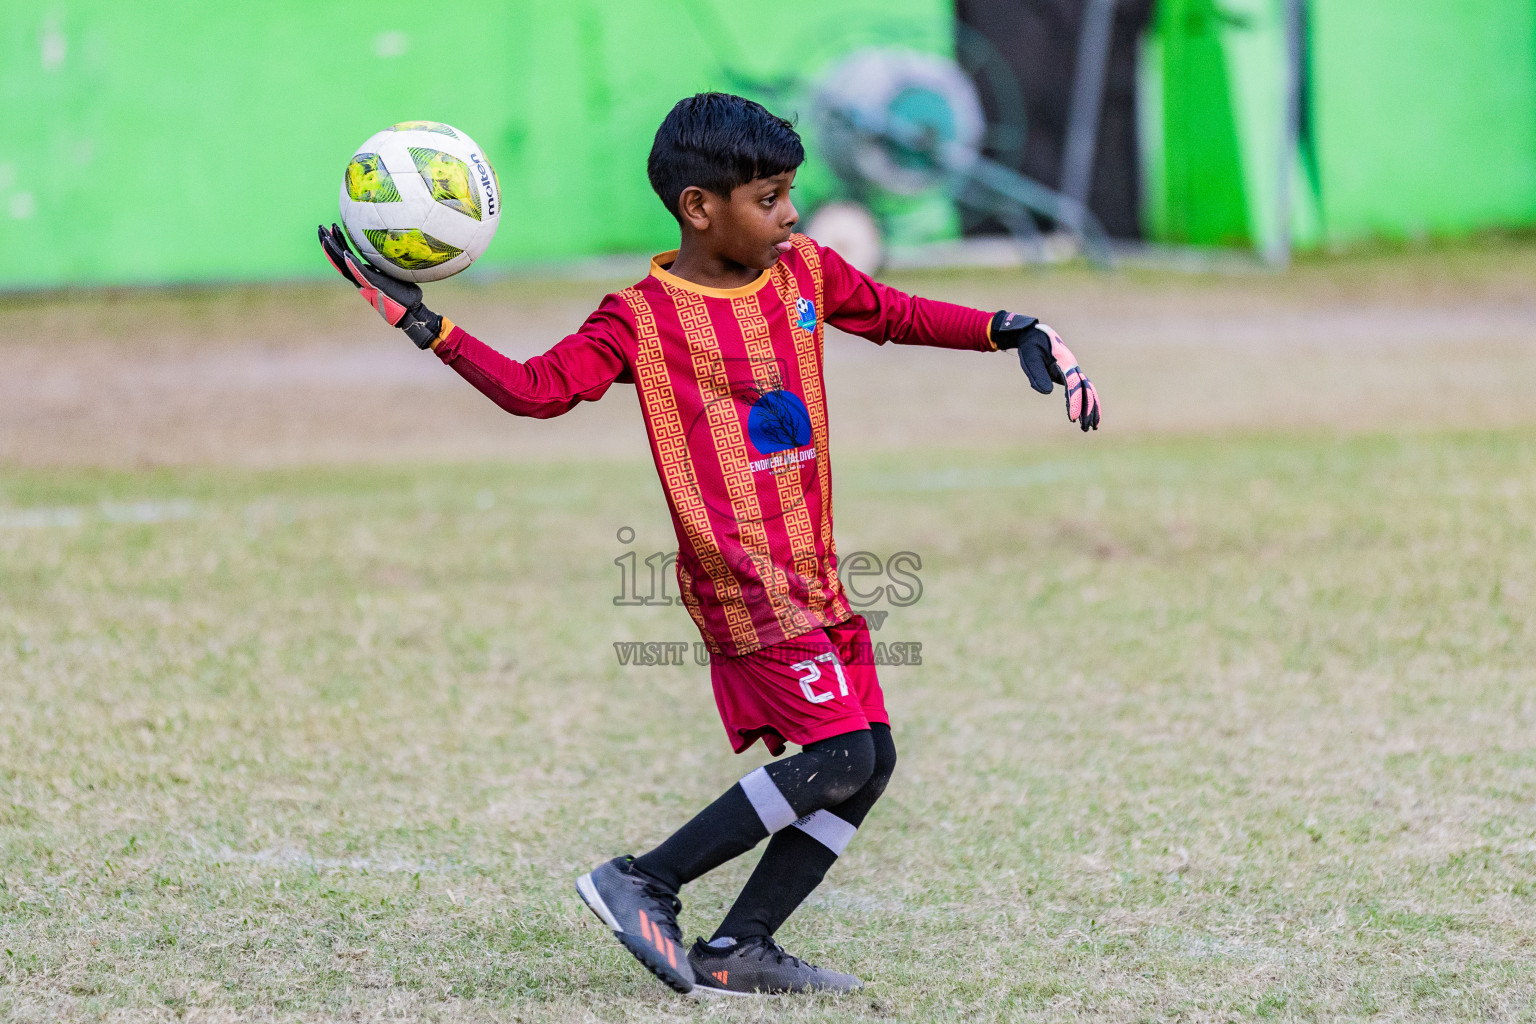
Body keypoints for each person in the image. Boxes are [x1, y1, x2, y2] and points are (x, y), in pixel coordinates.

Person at [317, 91, 1100, 997]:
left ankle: (739, 948)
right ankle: (643, 880)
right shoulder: (641, 320)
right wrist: (428, 325)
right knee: (838, 754)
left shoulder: (803, 272)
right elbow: (537, 389)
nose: (791, 213)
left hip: (812, 570)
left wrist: (1010, 328)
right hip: (742, 580)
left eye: (789, 193)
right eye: (769, 197)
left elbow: (891, 311)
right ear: (700, 207)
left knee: (870, 761)